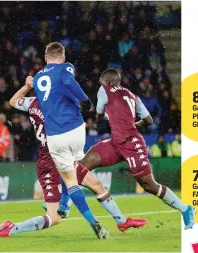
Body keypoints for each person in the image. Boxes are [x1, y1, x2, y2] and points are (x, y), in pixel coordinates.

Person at [0, 83, 146, 238]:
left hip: (61, 154)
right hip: (49, 161)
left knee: (95, 184)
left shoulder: (32, 102)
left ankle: (121, 221)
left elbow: (13, 102)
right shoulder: (54, 107)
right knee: (55, 218)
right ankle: (11, 228)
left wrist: (26, 86)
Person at [72, 68, 195, 230]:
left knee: (149, 185)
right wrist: (130, 125)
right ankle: (64, 204)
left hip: (131, 145)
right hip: (117, 142)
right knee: (81, 166)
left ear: (107, 83)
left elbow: (99, 114)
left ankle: (186, 209)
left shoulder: (104, 89)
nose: (101, 87)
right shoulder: (133, 96)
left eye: (102, 84)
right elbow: (149, 120)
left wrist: (104, 117)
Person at [34, 42, 108, 239]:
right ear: (63, 57)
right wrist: (85, 100)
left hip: (55, 134)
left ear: (45, 57)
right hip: (75, 129)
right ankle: (67, 203)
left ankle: (93, 221)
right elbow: (67, 81)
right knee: (77, 167)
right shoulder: (66, 68)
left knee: (69, 178)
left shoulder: (37, 78)